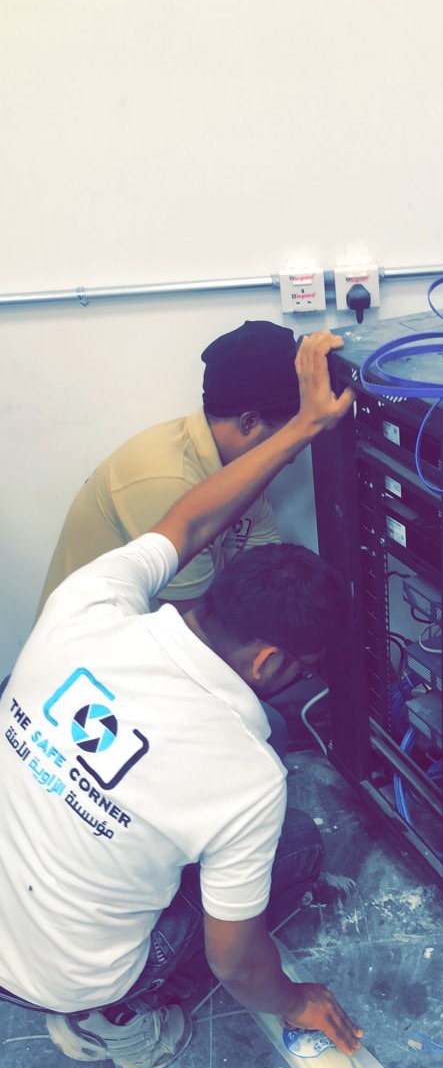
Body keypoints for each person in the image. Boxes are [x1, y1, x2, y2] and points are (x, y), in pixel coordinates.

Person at [0, 331, 362, 1068]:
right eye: (303, 669)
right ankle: (115, 1021)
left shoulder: (87, 601)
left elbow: (189, 523)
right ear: (269, 662)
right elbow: (237, 962)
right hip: (64, 979)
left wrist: (306, 425)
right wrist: (295, 999)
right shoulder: (247, 778)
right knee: (296, 849)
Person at [36, 319, 308, 758]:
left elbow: (264, 576)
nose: (291, 456)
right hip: (94, 667)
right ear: (250, 422)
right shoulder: (165, 478)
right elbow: (194, 634)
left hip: (157, 642)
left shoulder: (236, 468)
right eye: (286, 438)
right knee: (268, 729)